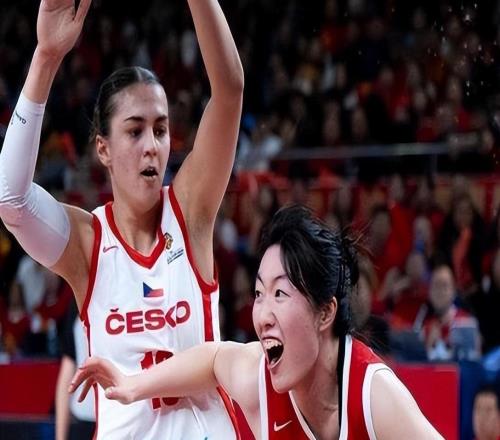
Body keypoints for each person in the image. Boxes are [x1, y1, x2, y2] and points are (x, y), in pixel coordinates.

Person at [0, 0, 244, 438]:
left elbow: (228, 90)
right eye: (135, 131)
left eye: (161, 130)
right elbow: (10, 199)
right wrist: (46, 57)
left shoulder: (190, 211)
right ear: (103, 149)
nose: (152, 145)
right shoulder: (88, 242)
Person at [70, 205, 443, 440]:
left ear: (325, 313)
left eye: (280, 293)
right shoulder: (259, 381)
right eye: (259, 293)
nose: (262, 315)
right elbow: (214, 359)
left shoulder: (374, 397)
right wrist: (133, 385)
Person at [55, 300, 95, 440]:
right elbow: (66, 376)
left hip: (120, 416)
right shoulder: (75, 304)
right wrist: (60, 437)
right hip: (82, 418)